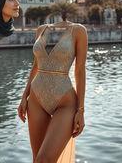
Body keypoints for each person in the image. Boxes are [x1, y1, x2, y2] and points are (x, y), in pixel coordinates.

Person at [18, 20, 88, 163]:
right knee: (37, 159)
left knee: (44, 160)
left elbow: (80, 70)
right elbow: (36, 66)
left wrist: (80, 110)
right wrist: (24, 96)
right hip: (36, 100)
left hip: (65, 103)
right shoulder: (41, 29)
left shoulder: (78, 31)